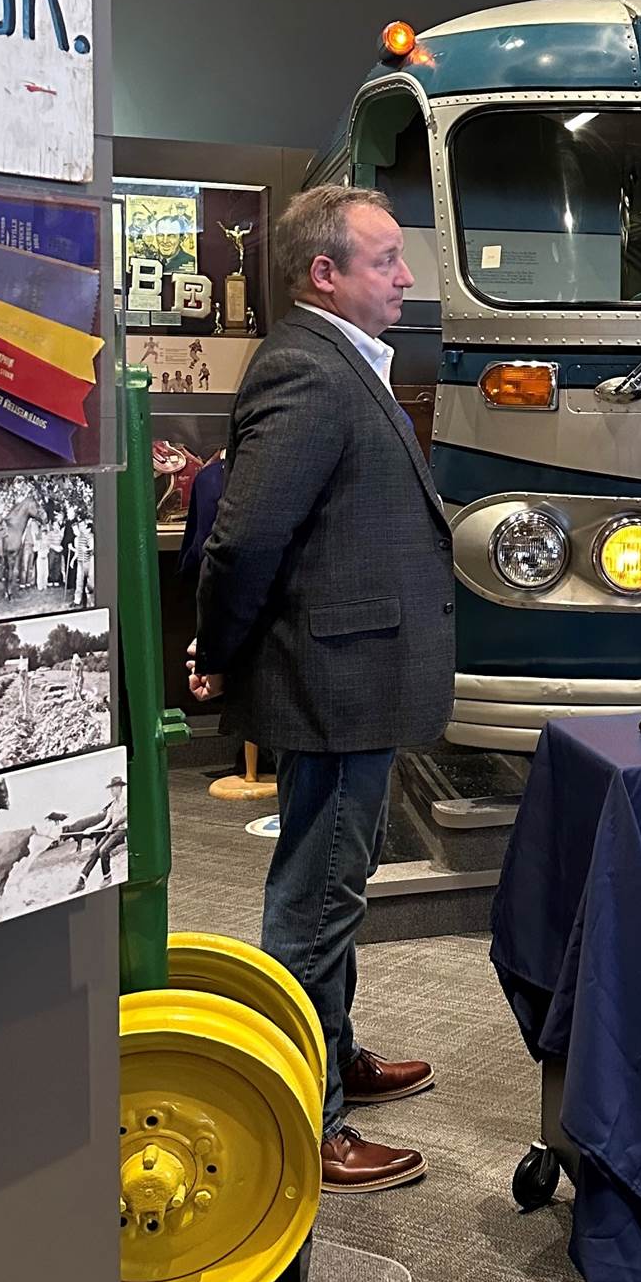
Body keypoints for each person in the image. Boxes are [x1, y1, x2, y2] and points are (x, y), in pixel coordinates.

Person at [190, 187, 453, 1193]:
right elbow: (246, 538)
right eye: (385, 260)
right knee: (313, 901)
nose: (404, 277)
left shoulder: (341, 361)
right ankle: (310, 1117)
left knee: (333, 889)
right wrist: (216, 643)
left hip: (353, 679)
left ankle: (330, 1053)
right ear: (323, 274)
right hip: (332, 681)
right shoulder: (306, 365)